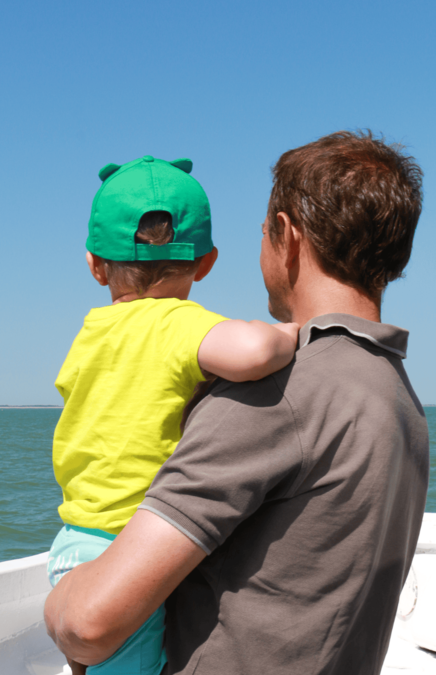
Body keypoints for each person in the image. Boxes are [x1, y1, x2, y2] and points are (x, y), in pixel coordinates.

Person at [45, 132, 430, 675]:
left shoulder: (283, 392)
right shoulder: (398, 395)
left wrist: (58, 601)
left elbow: (90, 624)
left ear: (287, 236)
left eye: (263, 233)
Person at [49, 155, 299, 675]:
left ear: (94, 264)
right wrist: (294, 331)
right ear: (205, 263)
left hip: (74, 542)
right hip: (129, 553)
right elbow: (253, 351)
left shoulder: (91, 333)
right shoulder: (176, 322)